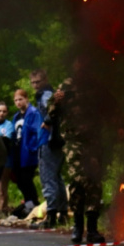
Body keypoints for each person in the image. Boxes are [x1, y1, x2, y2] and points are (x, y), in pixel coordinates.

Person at [47, 61, 106, 244]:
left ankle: (93, 228)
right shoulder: (66, 86)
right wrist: (56, 102)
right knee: (79, 179)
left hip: (94, 140)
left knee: (94, 181)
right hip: (73, 141)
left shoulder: (96, 85)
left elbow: (106, 108)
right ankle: (78, 226)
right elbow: (52, 113)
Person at [32, 69, 68, 228]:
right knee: (57, 177)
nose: (35, 85)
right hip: (53, 141)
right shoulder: (45, 94)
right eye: (32, 82)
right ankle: (63, 213)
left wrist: (47, 121)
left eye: (38, 82)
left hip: (49, 141)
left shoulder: (46, 95)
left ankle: (52, 214)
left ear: (45, 80)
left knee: (48, 178)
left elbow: (56, 109)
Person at [11, 89, 42, 215]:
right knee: (18, 178)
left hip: (28, 151)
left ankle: (33, 202)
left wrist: (32, 147)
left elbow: (37, 132)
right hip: (18, 151)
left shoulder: (33, 113)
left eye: (20, 99)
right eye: (16, 100)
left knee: (26, 178)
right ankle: (28, 202)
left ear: (26, 99)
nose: (18, 102)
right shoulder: (16, 116)